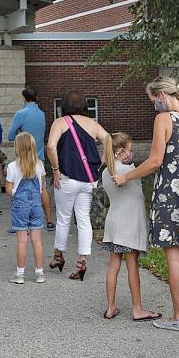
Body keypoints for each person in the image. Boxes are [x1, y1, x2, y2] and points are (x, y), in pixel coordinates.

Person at [111, 76, 179, 332]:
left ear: (162, 95)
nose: (153, 105)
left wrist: (126, 176)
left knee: (175, 258)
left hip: (171, 194)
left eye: (152, 100)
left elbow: (155, 160)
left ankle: (178, 317)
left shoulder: (164, 119)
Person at [46, 89, 110, 281]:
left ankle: (58, 256)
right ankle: (82, 261)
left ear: (63, 105)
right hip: (89, 178)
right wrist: (101, 163)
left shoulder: (60, 123)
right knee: (83, 219)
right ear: (84, 105)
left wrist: (55, 169)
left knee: (64, 218)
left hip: (66, 177)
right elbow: (109, 140)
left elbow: (50, 147)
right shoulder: (93, 124)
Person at [101, 132, 162, 322]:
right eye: (129, 150)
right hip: (127, 225)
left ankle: (110, 307)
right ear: (120, 151)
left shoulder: (106, 171)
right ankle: (137, 308)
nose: (131, 153)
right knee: (132, 265)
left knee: (113, 265)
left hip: (113, 224)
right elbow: (149, 167)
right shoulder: (126, 172)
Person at [8, 87, 54, 230]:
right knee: (42, 188)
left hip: (23, 158)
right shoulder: (41, 114)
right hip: (38, 156)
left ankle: (20, 221)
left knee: (21, 189)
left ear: (23, 97)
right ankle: (48, 220)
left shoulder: (21, 113)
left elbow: (10, 136)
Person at [7, 132, 47, 284]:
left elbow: (9, 188)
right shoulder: (39, 165)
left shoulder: (12, 166)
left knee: (22, 240)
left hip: (20, 206)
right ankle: (39, 273)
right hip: (36, 204)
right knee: (36, 240)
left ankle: (20, 274)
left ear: (17, 147)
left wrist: (17, 196)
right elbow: (42, 185)